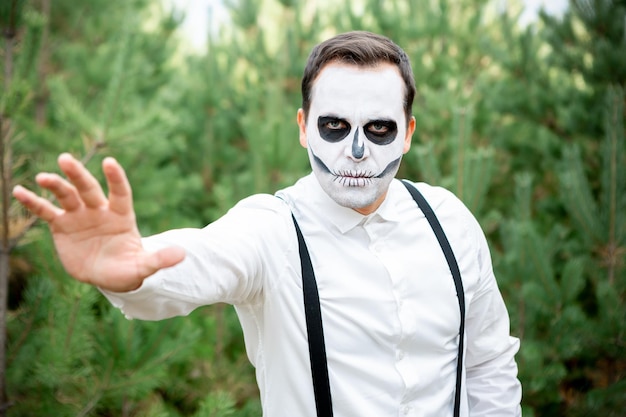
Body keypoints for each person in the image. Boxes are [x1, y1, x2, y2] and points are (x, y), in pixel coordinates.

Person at [13, 31, 522, 416]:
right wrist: (130, 270)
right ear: (304, 129)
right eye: (335, 126)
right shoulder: (272, 230)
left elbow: (488, 364)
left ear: (408, 134)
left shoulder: (450, 221)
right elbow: (203, 259)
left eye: (380, 129)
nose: (357, 150)